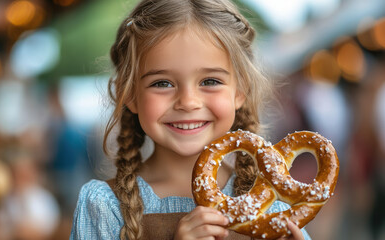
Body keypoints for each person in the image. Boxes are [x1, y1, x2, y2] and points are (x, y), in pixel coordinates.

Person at [71, 0, 311, 239]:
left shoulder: (274, 205)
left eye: (210, 81)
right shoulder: (104, 207)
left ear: (240, 91)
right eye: (162, 83)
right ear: (130, 95)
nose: (188, 102)